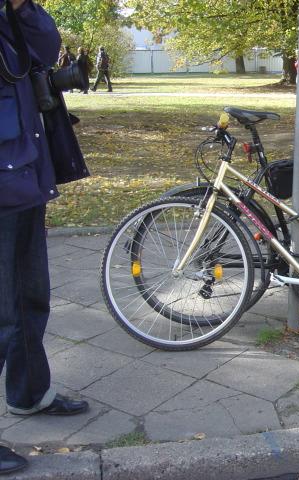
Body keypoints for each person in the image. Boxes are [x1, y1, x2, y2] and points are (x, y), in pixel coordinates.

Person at [0, 0, 89, 475]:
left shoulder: (11, 19)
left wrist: (22, 8)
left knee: (30, 298)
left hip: (24, 179)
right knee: (1, 313)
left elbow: (46, 48)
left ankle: (30, 392)